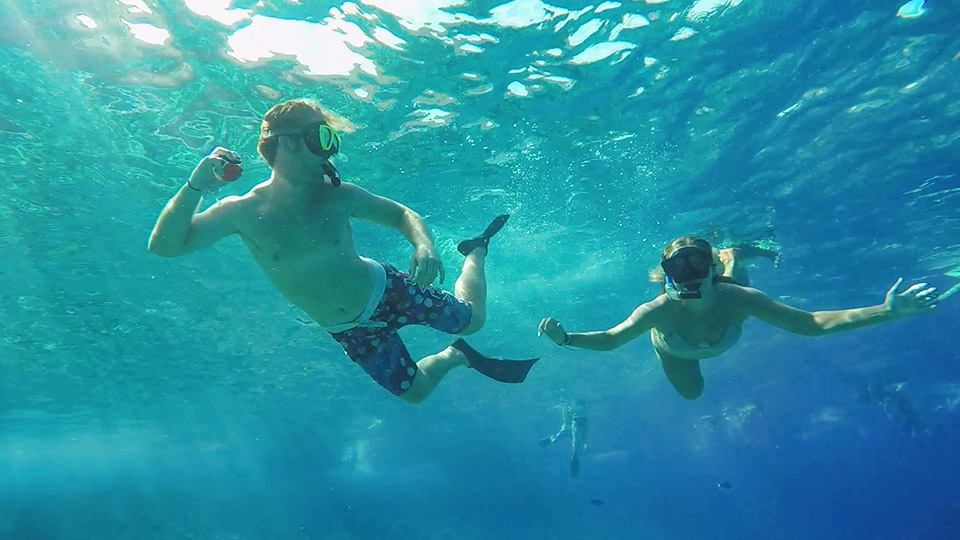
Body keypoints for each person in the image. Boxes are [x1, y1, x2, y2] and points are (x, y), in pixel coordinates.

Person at [148, 99, 537, 403]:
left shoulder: (338, 197)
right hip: (351, 330)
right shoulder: (241, 212)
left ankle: (475, 250)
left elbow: (401, 213)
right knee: (415, 393)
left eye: (333, 141)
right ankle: (456, 355)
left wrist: (423, 244)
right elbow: (165, 247)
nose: (330, 152)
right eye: (321, 138)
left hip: (389, 290)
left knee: (472, 319)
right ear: (285, 143)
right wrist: (195, 186)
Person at [537, 235, 940, 400]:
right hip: (676, 353)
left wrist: (886, 312)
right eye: (681, 269)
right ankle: (733, 256)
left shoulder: (740, 300)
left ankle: (734, 255)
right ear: (668, 276)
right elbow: (611, 339)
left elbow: (813, 324)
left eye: (700, 266)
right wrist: (565, 338)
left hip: (727, 293)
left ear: (710, 270)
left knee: (738, 285)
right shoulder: (658, 310)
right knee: (693, 394)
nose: (691, 275)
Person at [540, 403, 589, 477]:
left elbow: (565, 412)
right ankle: (574, 456)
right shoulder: (577, 412)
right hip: (575, 421)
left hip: (575, 421)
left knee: (562, 437)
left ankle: (551, 440)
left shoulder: (576, 409)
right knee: (574, 441)